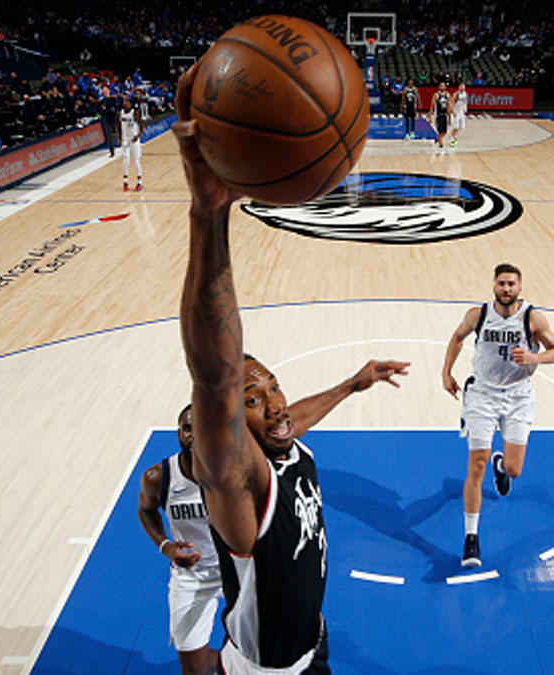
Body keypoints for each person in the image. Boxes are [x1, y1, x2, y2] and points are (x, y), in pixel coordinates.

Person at [173, 62, 409, 674]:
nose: (275, 402)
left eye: (272, 384)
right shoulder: (234, 480)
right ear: (230, 426)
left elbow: (290, 421)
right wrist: (210, 214)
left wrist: (352, 385)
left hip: (312, 645)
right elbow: (216, 377)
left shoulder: (279, 445)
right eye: (255, 399)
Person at [440, 263, 554, 568]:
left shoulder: (532, 318)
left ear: (520, 287)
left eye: (511, 284)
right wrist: (446, 372)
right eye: (501, 283)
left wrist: (536, 357)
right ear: (493, 286)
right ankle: (471, 538)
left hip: (518, 396)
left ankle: (501, 465)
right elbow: (457, 338)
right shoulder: (478, 315)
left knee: (514, 468)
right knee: (475, 466)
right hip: (482, 395)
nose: (506, 288)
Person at [138, 405, 222, 675]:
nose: (194, 435)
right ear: (179, 433)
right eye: (188, 428)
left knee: (252, 650)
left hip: (239, 571)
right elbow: (146, 510)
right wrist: (166, 546)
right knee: (193, 670)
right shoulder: (158, 477)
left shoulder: (235, 473)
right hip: (192, 576)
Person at [119, 98, 145, 191]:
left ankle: (139, 182)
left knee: (136, 160)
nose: (125, 104)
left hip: (134, 139)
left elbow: (142, 126)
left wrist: (138, 136)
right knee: (125, 160)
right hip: (125, 139)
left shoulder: (134, 113)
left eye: (127, 102)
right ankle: (125, 182)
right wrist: (119, 138)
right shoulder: (120, 113)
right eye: (124, 102)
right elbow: (118, 126)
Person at [428, 81, 451, 151]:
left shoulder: (448, 95)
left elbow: (448, 106)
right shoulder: (436, 95)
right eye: (441, 86)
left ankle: (436, 139)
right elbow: (432, 105)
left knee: (445, 131)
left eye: (443, 86)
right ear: (439, 87)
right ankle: (441, 145)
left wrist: (450, 117)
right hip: (438, 115)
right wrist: (430, 116)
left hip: (445, 115)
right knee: (440, 130)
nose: (442, 87)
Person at [449, 82, 469, 148]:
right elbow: (450, 103)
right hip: (456, 112)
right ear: (459, 87)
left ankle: (454, 135)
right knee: (455, 127)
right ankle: (452, 139)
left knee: (462, 127)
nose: (462, 88)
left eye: (463, 86)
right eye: (461, 86)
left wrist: (465, 109)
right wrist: (452, 111)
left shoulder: (465, 94)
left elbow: (465, 102)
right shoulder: (456, 94)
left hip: (461, 112)